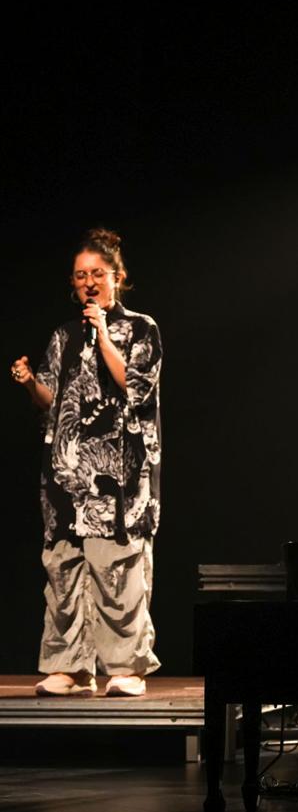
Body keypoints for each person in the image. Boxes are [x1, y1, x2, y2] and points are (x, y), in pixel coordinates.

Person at [10, 228, 162, 698]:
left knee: (117, 568)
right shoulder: (63, 335)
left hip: (118, 475)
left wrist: (102, 332)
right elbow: (51, 401)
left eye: (98, 274)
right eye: (81, 276)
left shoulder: (141, 328)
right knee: (64, 568)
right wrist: (29, 382)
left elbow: (134, 387)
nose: (89, 282)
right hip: (65, 472)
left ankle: (127, 666)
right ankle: (73, 669)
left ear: (118, 277)